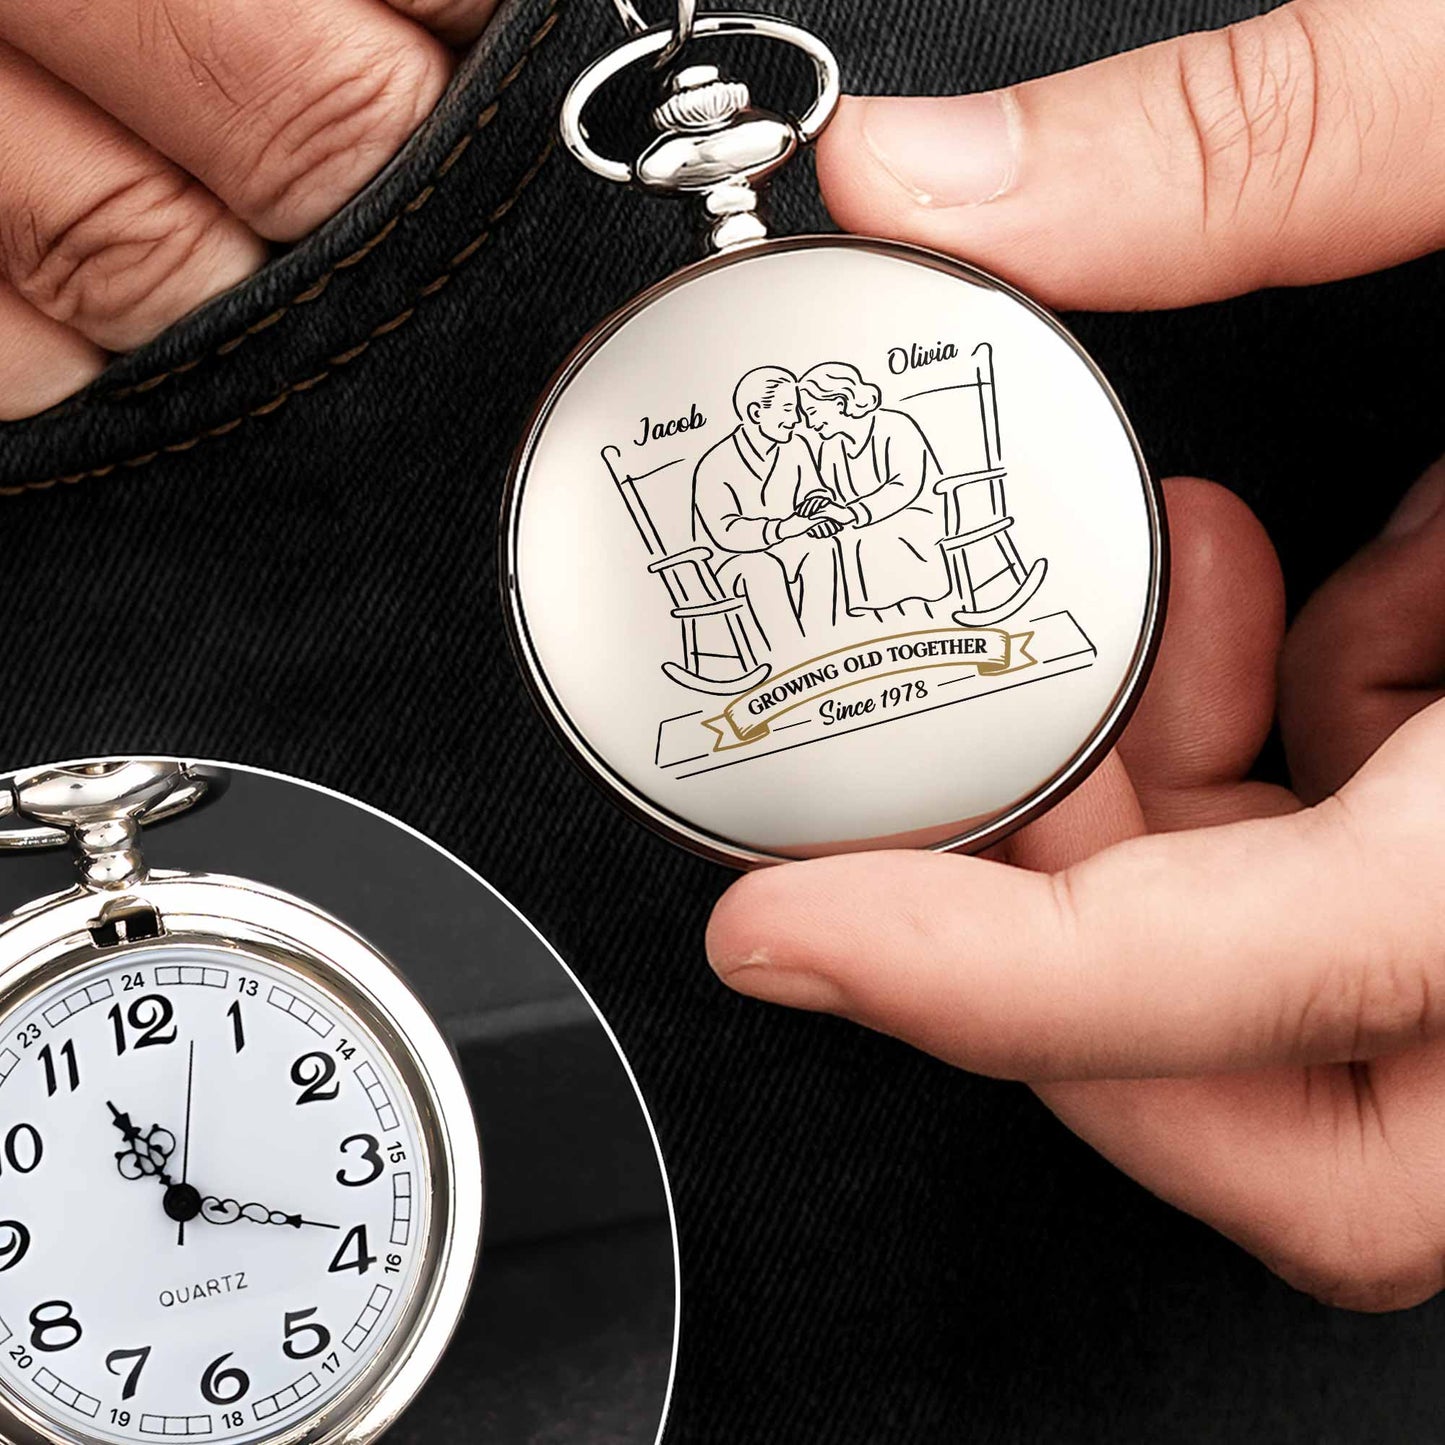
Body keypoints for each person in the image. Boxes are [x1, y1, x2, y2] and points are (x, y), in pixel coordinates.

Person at [691, 366, 843, 654]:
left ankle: (824, 645)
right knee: (762, 567)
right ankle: (791, 656)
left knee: (824, 549)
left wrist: (819, 509)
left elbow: (813, 489)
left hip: (788, 546)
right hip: (733, 562)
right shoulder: (715, 463)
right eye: (787, 409)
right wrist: (786, 527)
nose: (797, 419)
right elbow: (727, 533)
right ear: (756, 413)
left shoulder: (796, 446)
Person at [798, 361, 953, 622]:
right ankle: (880, 624)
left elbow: (904, 485)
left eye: (812, 411)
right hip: (862, 524)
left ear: (839, 402)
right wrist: (819, 505)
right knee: (841, 545)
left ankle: (916, 617)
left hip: (916, 516)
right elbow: (830, 491)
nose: (810, 423)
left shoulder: (895, 425)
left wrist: (851, 514)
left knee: (867, 540)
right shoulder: (831, 446)